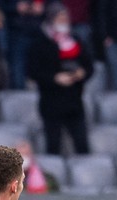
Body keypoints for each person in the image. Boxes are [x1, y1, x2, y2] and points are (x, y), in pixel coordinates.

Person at [27, 5, 92, 155]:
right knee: (54, 144)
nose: (63, 22)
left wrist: (82, 73)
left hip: (74, 102)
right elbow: (33, 71)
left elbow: (88, 65)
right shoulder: (40, 43)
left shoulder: (76, 40)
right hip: (51, 102)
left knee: (82, 144)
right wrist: (54, 78)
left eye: (65, 19)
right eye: (60, 19)